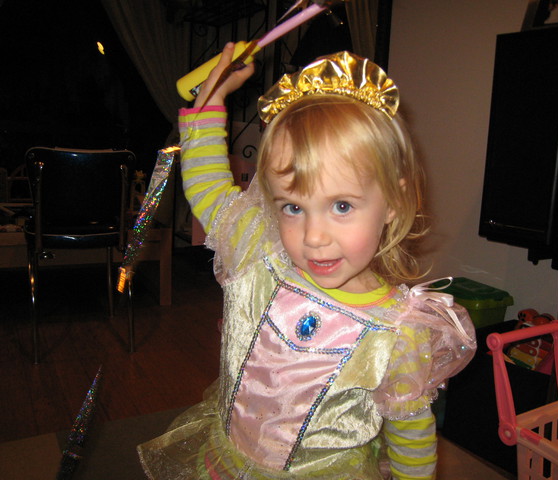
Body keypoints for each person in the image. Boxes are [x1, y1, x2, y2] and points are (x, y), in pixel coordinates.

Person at [138, 43, 476, 480]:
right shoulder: (259, 252)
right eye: (293, 207)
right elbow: (208, 186)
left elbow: (411, 438)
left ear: (394, 201)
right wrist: (211, 99)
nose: (314, 237)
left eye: (341, 206)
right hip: (225, 464)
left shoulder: (400, 332)